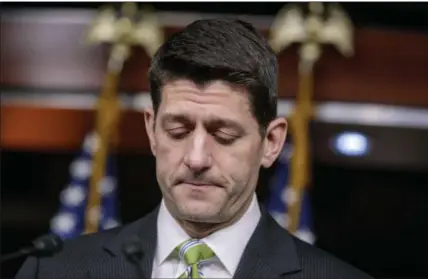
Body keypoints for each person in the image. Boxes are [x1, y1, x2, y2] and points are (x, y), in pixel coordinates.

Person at [16, 18, 373, 279]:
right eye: (177, 130)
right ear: (151, 131)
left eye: (224, 135)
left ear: (272, 143)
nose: (197, 159)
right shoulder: (50, 270)